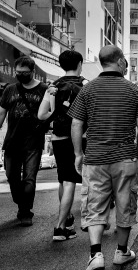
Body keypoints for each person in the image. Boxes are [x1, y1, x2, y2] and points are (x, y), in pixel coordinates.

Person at [68, 45, 138, 270]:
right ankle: (121, 251)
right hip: (125, 158)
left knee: (94, 203)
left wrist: (78, 154)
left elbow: (76, 124)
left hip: (95, 158)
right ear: (121, 61)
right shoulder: (133, 90)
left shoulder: (88, 89)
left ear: (101, 62)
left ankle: (95, 255)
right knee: (125, 203)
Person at [38, 50, 88, 241]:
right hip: (81, 137)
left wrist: (52, 105)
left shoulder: (53, 86)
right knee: (74, 181)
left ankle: (67, 220)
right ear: (80, 63)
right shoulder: (86, 85)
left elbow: (42, 115)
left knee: (63, 179)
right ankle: (60, 227)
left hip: (58, 138)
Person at [0, 56, 48, 226]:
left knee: (29, 178)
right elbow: (1, 113)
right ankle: (21, 202)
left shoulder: (44, 89)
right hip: (12, 141)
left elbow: (50, 112)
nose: (20, 75)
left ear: (32, 71)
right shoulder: (10, 89)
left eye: (24, 73)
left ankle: (25, 211)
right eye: (18, 72)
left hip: (33, 142)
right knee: (11, 177)